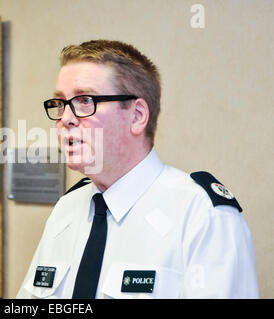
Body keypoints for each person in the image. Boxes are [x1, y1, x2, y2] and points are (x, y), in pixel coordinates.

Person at [17, 40, 258, 298]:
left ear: (137, 115)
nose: (65, 118)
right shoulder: (66, 209)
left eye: (85, 100)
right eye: (61, 103)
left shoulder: (201, 216)